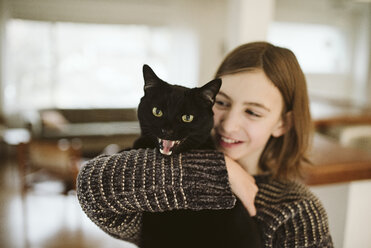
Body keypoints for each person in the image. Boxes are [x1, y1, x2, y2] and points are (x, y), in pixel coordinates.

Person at [77, 41, 334, 247]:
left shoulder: (296, 209)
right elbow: (91, 188)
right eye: (222, 103)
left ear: (283, 124)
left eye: (253, 112)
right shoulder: (163, 164)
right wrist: (219, 170)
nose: (229, 125)